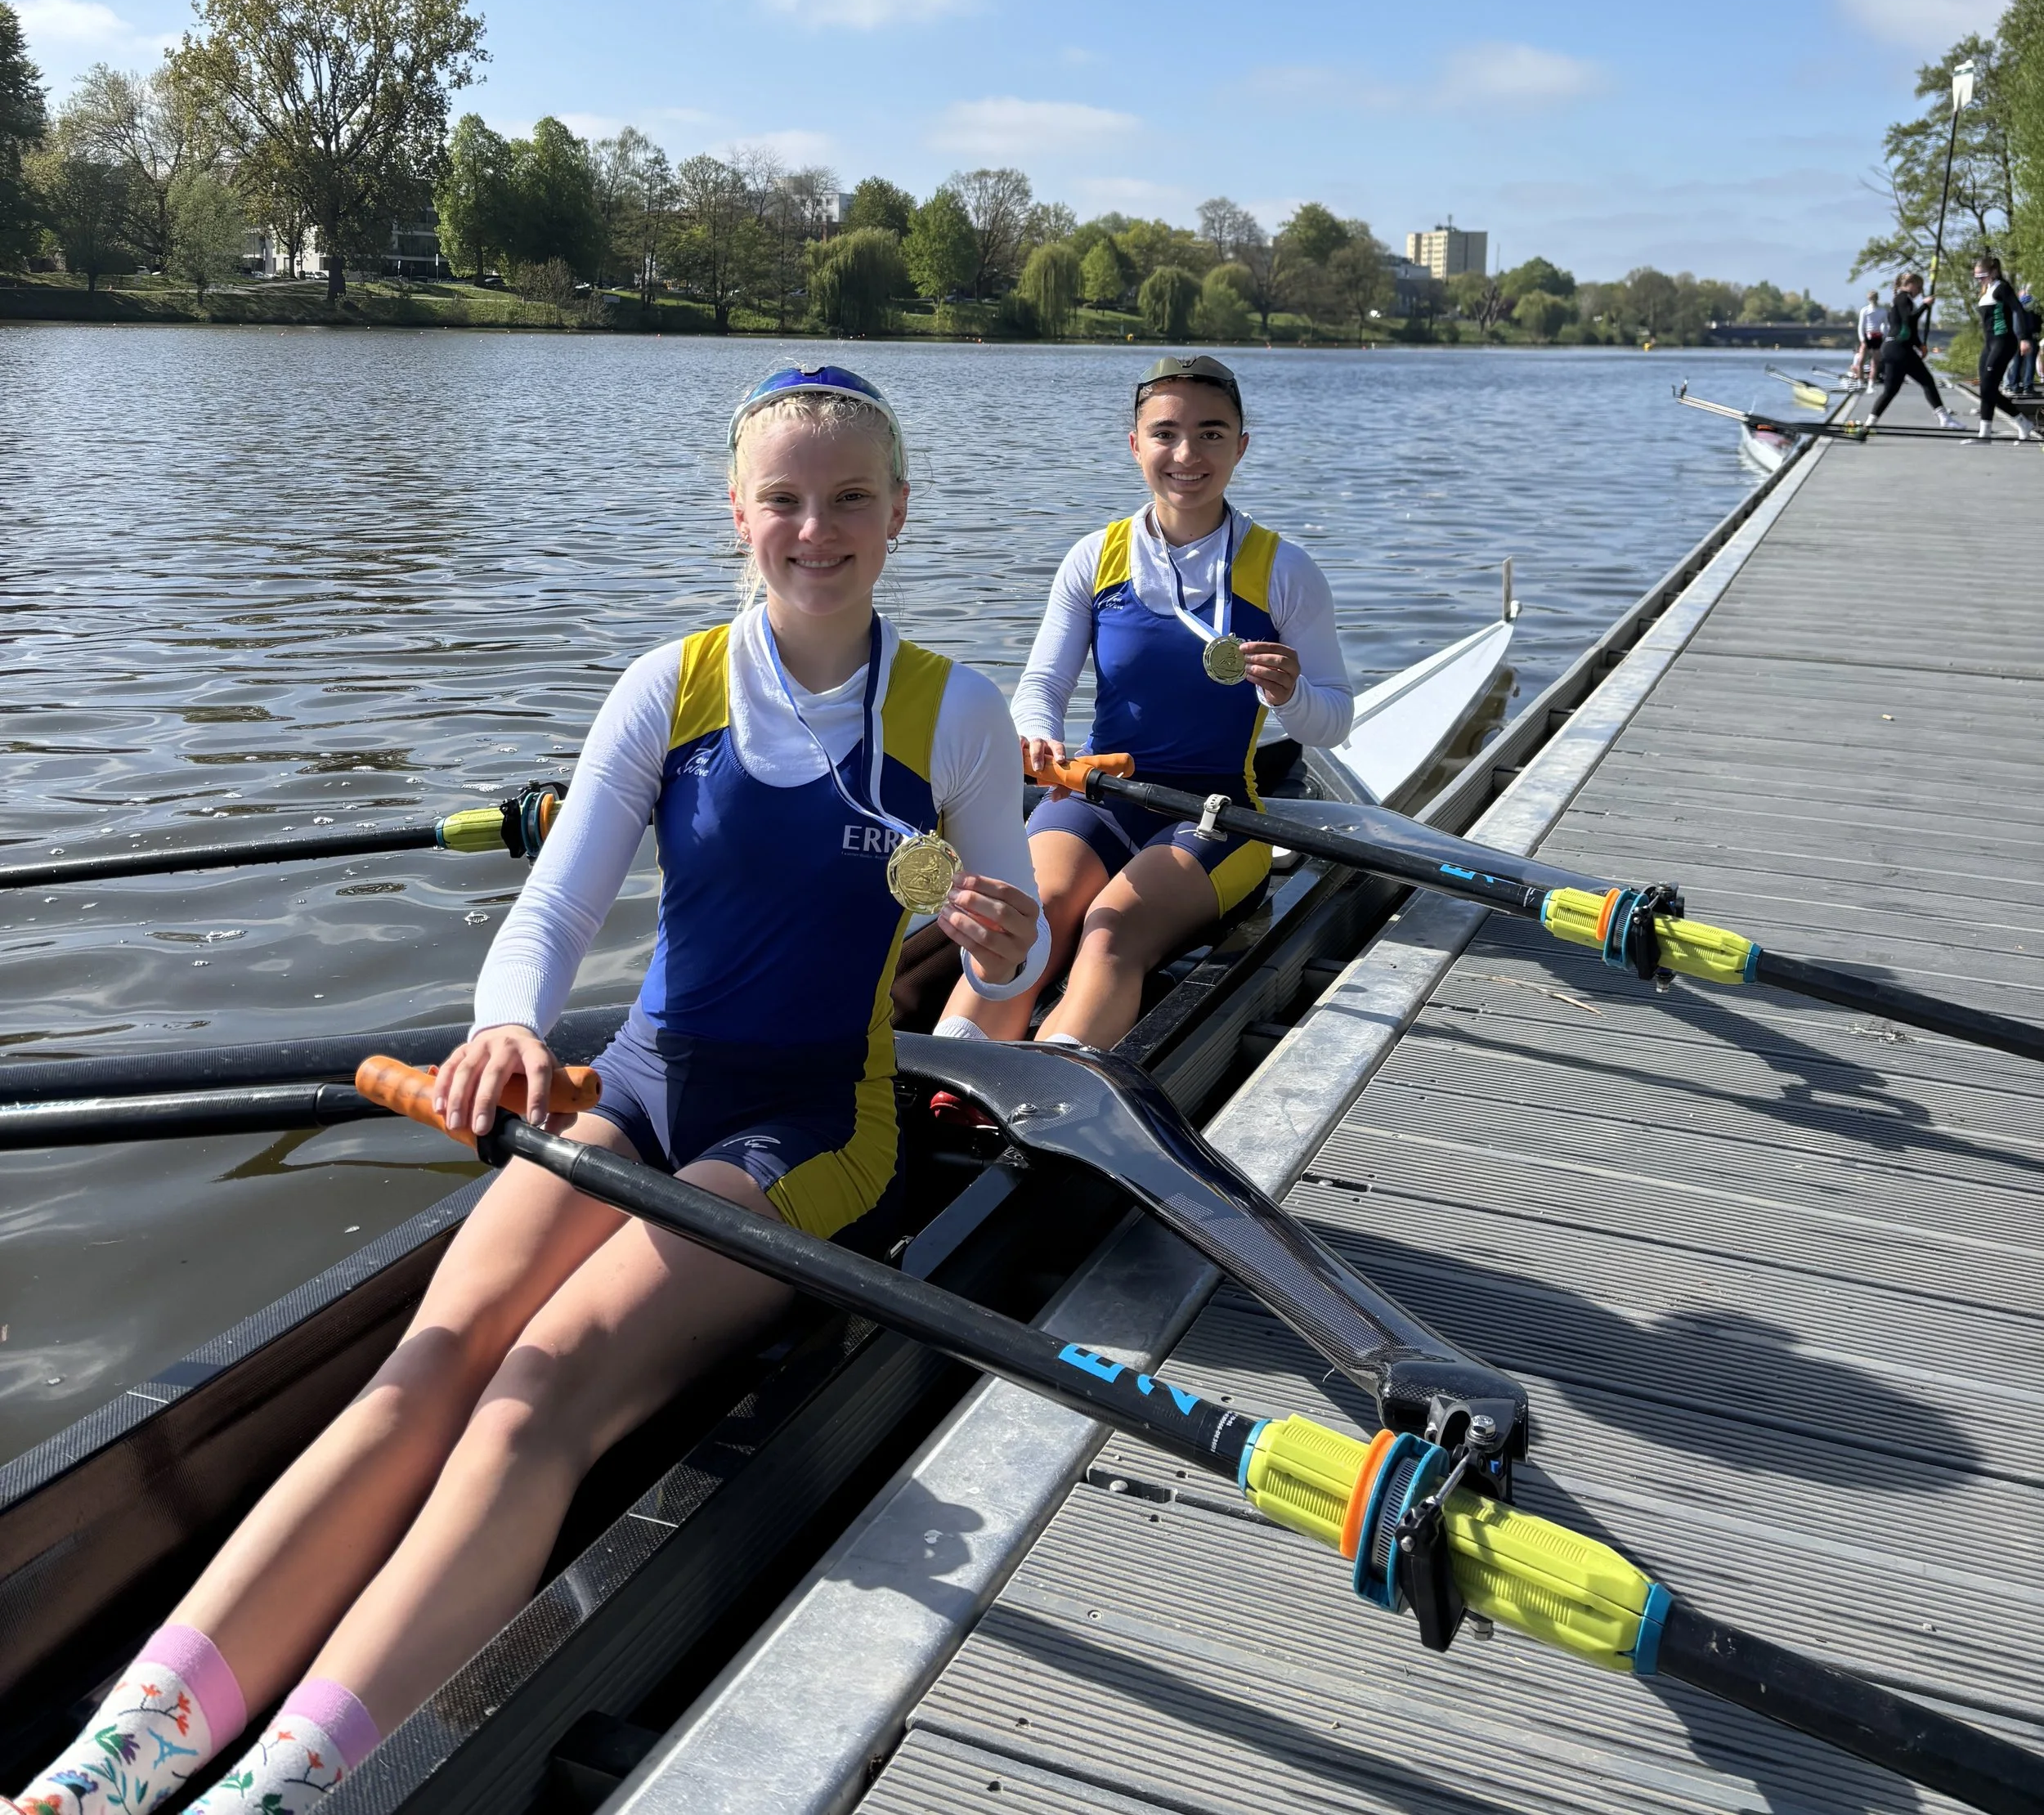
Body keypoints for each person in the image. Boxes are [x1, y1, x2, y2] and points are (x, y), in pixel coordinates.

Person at [11, 366, 1046, 1815]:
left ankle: (286, 1785)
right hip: (635, 1082)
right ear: (738, 513)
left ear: (899, 515)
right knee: (426, 1366)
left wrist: (1010, 940)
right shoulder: (668, 686)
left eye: (851, 499)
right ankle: (112, 1764)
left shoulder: (959, 712)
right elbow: (558, 910)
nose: (818, 529)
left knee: (533, 1391)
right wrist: (505, 1029)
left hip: (812, 1124)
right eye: (787, 500)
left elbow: (1020, 930)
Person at [935, 352, 1355, 1058]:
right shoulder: (1094, 559)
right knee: (1025, 915)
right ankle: (947, 1073)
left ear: (1241, 446)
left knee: (1111, 928)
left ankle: (1045, 1098)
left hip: (1220, 815)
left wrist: (1291, 694)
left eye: (1212, 433)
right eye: (1165, 433)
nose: (1187, 454)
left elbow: (1334, 721)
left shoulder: (1285, 571)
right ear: (1135, 445)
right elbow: (1041, 685)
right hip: (1101, 789)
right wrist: (1037, 733)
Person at [1867, 272, 1957, 429]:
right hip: (1900, 350)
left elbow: (1907, 330)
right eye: (1919, 287)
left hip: (1892, 348)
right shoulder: (1903, 298)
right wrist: (1925, 305)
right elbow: (1910, 320)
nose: (1921, 291)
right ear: (1909, 284)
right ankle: (1944, 418)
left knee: (1891, 390)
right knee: (1927, 382)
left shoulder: (1901, 300)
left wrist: (1920, 345)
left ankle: (1870, 421)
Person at [1970, 255, 2038, 443]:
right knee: (1986, 388)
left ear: (1994, 272)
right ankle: (1984, 434)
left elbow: (2019, 310)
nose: (1980, 280)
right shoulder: (1987, 290)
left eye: (1982, 276)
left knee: (1989, 388)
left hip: (2004, 342)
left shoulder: (2002, 287)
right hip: (1989, 344)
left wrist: (2024, 338)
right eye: (1976, 277)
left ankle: (2022, 422)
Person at [1851, 289, 1887, 387]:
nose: (1873, 300)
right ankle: (1861, 381)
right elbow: (1861, 326)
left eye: (1874, 298)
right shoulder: (1865, 310)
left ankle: (1870, 381)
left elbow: (1885, 325)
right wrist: (1862, 340)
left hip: (1877, 336)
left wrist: (1884, 337)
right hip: (1868, 336)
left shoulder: (1882, 311)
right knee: (1861, 361)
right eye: (1872, 299)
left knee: (1874, 362)